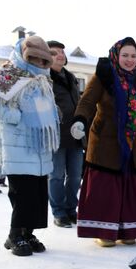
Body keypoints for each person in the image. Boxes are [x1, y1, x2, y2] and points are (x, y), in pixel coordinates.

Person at [74, 37, 136, 247]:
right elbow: (87, 101)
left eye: (133, 56)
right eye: (125, 55)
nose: (129, 60)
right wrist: (79, 120)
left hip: (133, 145)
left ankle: (128, 229)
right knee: (106, 190)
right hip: (106, 143)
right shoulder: (103, 75)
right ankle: (103, 231)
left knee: (131, 189)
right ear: (116, 55)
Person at [0, 36, 61, 256]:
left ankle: (28, 233)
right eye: (34, 59)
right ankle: (15, 235)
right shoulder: (9, 74)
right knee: (22, 193)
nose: (39, 65)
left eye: (44, 61)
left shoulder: (44, 80)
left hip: (39, 148)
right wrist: (16, 116)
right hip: (17, 146)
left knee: (37, 194)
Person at [46, 40, 83, 229]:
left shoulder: (71, 77)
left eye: (61, 52)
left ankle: (71, 209)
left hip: (76, 135)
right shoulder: (45, 78)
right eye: (54, 53)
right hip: (56, 135)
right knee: (56, 175)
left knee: (76, 176)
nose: (59, 55)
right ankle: (59, 212)